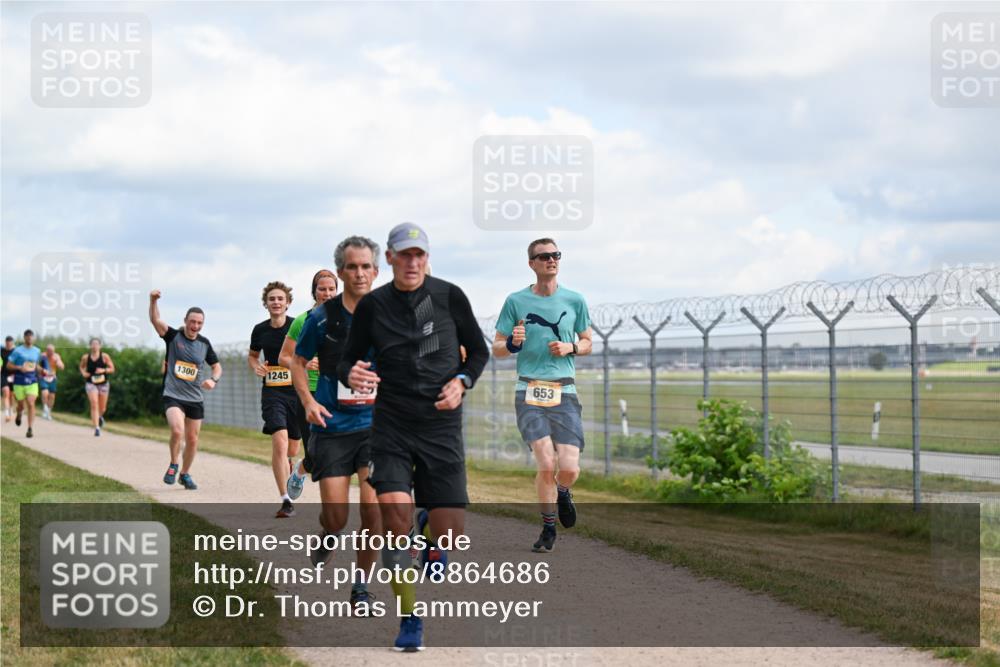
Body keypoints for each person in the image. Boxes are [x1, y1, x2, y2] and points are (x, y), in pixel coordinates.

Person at [338, 222, 488, 651]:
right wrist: (350, 371)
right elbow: (347, 359)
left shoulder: (448, 296)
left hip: (440, 425)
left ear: (427, 257)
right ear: (389, 258)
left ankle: (431, 532)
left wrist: (461, 381)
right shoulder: (373, 306)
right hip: (392, 424)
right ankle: (409, 618)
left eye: (419, 254)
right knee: (392, 523)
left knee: (450, 534)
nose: (412, 262)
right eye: (404, 254)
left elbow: (477, 352)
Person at [293, 236, 383, 611]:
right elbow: (296, 363)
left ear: (376, 272)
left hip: (374, 427)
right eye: (352, 266)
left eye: (366, 266)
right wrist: (309, 402)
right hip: (331, 426)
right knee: (337, 516)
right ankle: (328, 535)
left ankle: (360, 587)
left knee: (372, 511)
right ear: (341, 271)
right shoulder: (321, 318)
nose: (359, 273)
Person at [492, 238, 592, 553]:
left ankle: (563, 492)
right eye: (544, 256)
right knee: (546, 462)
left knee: (570, 467)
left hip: (565, 389)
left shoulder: (575, 300)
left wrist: (571, 347)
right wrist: (512, 344)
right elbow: (497, 348)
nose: (551, 260)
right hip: (529, 389)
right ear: (532, 263)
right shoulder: (515, 301)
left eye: (556, 255)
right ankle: (548, 527)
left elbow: (588, 340)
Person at [149, 290, 222, 490]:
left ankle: (185, 473)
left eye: (199, 323)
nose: (195, 326)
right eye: (192, 322)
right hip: (173, 394)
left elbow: (217, 366)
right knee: (177, 429)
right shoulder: (173, 336)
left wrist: (213, 380)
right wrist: (153, 300)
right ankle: (173, 464)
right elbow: (155, 320)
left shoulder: (204, 344)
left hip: (195, 398)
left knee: (192, 439)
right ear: (186, 320)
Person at [278, 269, 338, 499]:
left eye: (331, 289)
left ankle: (332, 511)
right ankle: (300, 471)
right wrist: (305, 363)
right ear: (314, 292)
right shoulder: (303, 321)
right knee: (316, 452)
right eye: (322, 289)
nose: (327, 293)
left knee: (334, 451)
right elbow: (284, 357)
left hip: (336, 392)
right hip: (308, 393)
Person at [249, 281, 303, 518]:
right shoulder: (259, 330)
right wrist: (256, 366)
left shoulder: (297, 327)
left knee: (292, 447)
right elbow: (252, 356)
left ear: (288, 303)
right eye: (272, 299)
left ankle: (292, 468)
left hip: (296, 391)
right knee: (279, 442)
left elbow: (308, 352)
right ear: (266, 303)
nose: (276, 302)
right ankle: (285, 499)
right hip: (272, 392)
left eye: (280, 298)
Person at [6, 329, 50, 438]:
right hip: (19, 382)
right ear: (24, 337)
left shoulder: (37, 351)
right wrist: (19, 367)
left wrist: (42, 370)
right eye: (27, 336)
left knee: (31, 403)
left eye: (31, 336)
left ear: (33, 338)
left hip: (32, 381)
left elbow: (35, 365)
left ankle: (30, 428)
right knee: (21, 405)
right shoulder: (17, 351)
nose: (29, 338)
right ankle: (19, 413)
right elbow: (8, 365)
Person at [79, 338, 115, 436]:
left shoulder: (104, 357)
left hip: (103, 384)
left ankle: (100, 417)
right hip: (91, 383)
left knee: (102, 408)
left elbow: (112, 368)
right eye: (93, 344)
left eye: (96, 344)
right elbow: (81, 367)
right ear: (90, 346)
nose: (94, 346)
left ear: (100, 346)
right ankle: (97, 428)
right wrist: (83, 373)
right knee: (94, 404)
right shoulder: (86, 357)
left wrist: (103, 370)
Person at [39, 344, 65, 420]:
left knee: (52, 396)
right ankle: (45, 409)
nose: (51, 353)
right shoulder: (42, 356)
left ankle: (48, 412)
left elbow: (62, 365)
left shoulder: (56, 357)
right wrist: (42, 370)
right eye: (49, 351)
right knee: (45, 392)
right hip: (43, 377)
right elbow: (36, 365)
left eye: (52, 351)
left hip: (52, 378)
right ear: (46, 350)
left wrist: (60, 365)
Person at [2, 336, 15, 422]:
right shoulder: (1, 350)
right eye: (7, 343)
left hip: (14, 375)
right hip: (3, 374)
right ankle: (6, 413)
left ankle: (11, 409)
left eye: (10, 343)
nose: (8, 344)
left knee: (12, 395)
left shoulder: (16, 351)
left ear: (12, 343)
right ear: (5, 342)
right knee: (6, 392)